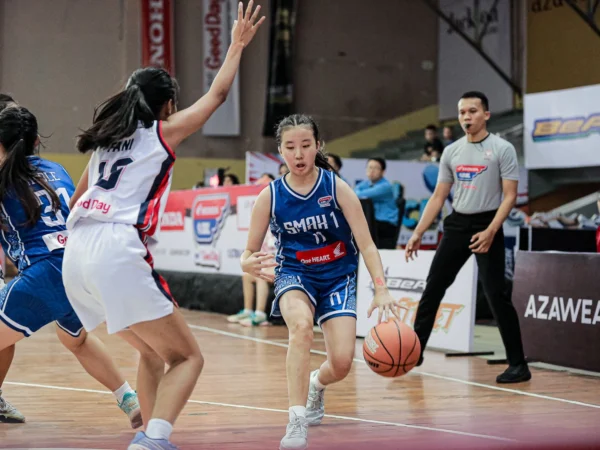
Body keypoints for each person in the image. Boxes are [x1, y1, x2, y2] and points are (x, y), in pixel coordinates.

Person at [62, 2, 265, 449]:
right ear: (167, 103)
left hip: (75, 253)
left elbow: (75, 201)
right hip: (115, 247)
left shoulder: (104, 144)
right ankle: (155, 440)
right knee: (189, 357)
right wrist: (234, 47)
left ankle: (147, 434)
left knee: (152, 353)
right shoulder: (161, 132)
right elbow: (216, 98)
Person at [241, 114, 400, 450]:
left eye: (305, 146)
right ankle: (296, 420)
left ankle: (317, 383)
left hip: (338, 277)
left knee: (341, 363)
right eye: (290, 147)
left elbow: (367, 244)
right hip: (294, 274)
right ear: (280, 151)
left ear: (317, 146)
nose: (298, 154)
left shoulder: (336, 187)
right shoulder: (269, 196)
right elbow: (247, 253)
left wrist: (381, 287)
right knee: (300, 327)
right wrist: (249, 264)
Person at [0, 105, 144, 428]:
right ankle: (128, 399)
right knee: (75, 341)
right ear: (36, 141)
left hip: (43, 273)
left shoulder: (3, 178)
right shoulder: (56, 169)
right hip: (78, 267)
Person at [405, 91, 531, 384]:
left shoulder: (502, 148)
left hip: (488, 222)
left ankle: (518, 365)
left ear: (486, 115)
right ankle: (415, 351)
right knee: (433, 288)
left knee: (496, 295)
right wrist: (418, 232)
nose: (466, 117)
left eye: (472, 111)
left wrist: (490, 231)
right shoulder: (451, 151)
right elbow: (439, 197)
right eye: (462, 112)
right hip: (457, 224)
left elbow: (510, 196)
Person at [354, 158, 399, 249]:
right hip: (374, 222)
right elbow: (354, 191)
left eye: (376, 168)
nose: (372, 170)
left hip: (386, 223)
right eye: (370, 167)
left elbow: (360, 194)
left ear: (383, 172)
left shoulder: (385, 186)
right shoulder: (366, 183)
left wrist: (356, 192)